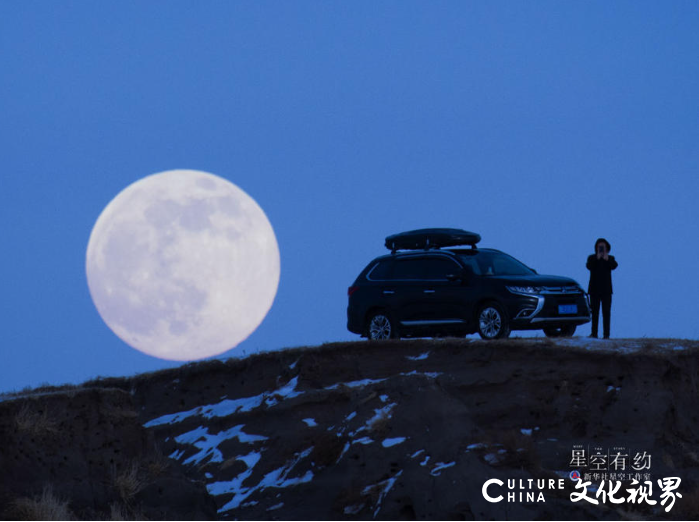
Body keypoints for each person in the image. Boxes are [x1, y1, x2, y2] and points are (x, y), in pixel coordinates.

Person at [586, 238, 618, 339]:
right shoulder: (592, 258)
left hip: (606, 291)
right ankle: (594, 333)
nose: (600, 248)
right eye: (599, 246)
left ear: (607, 248)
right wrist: (597, 257)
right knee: (595, 313)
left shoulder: (610, 258)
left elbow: (614, 266)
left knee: (606, 313)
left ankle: (606, 335)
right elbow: (589, 266)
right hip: (594, 290)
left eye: (603, 247)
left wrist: (606, 258)